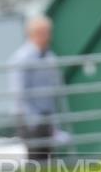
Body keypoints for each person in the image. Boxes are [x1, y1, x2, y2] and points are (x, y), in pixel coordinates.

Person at [8, 15, 64, 160]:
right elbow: (19, 91)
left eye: (47, 32)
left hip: (46, 115)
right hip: (29, 116)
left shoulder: (50, 57)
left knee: (48, 157)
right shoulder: (22, 58)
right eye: (41, 33)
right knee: (35, 158)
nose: (46, 36)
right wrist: (33, 120)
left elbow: (55, 88)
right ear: (31, 34)